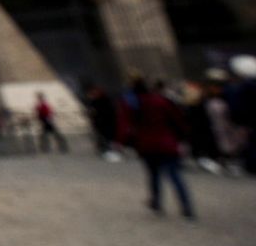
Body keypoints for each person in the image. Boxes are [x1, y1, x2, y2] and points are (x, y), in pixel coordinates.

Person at [118, 78, 195, 219]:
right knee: (175, 176)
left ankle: (157, 203)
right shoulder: (161, 101)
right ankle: (186, 207)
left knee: (153, 175)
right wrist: (183, 137)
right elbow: (177, 120)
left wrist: (122, 143)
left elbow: (125, 124)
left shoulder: (133, 103)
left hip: (147, 145)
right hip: (167, 143)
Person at [82, 81, 120, 160]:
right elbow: (91, 110)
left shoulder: (104, 99)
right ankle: (104, 150)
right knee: (102, 137)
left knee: (107, 136)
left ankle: (110, 150)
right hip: (99, 122)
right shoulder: (95, 100)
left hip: (106, 121)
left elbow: (109, 111)